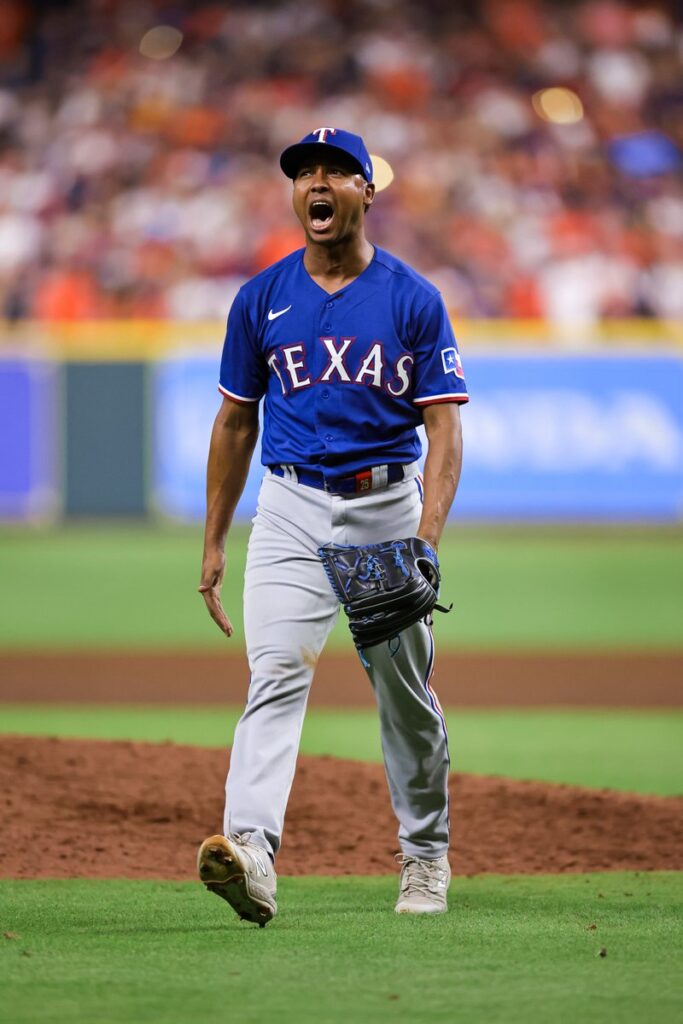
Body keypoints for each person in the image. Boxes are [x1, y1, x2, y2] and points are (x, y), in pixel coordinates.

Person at [196, 128, 468, 927]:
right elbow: (236, 421)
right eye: (303, 174)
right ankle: (250, 853)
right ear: (295, 195)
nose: (316, 184)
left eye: (334, 173)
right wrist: (213, 537)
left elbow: (444, 429)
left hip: (384, 506)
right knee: (275, 672)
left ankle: (424, 857)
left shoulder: (411, 297)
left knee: (403, 696)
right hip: (287, 507)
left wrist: (425, 537)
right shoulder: (261, 297)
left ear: (363, 191)